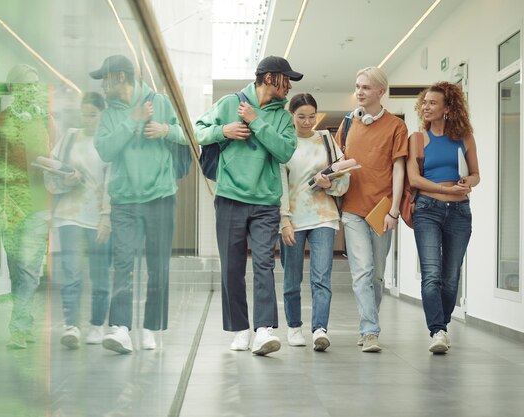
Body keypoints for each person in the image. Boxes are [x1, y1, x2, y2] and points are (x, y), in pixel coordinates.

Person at [195, 55, 302, 356]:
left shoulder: (282, 117)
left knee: (264, 264)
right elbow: (197, 130)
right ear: (270, 78)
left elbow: (284, 152)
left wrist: (256, 121)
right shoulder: (230, 103)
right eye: (286, 80)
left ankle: (264, 329)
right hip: (230, 197)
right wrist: (223, 131)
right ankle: (240, 329)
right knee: (231, 267)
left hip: (266, 202)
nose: (289, 87)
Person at [90, 55, 186, 354]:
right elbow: (105, 150)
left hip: (160, 197)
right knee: (122, 264)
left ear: (120, 77)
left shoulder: (160, 102)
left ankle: (150, 328)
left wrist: (165, 130)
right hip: (125, 201)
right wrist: (132, 121)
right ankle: (120, 328)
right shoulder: (109, 114)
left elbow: (188, 136)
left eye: (105, 79)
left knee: (158, 268)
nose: (102, 86)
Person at [335, 67, 408, 353]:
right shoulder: (348, 124)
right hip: (352, 209)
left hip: (382, 209)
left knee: (377, 274)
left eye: (366, 87)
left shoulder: (395, 127)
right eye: (357, 86)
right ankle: (370, 331)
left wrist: (394, 211)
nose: (360, 92)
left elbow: (399, 170)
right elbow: (338, 160)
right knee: (362, 271)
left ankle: (369, 322)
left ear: (381, 91)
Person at [0, 64, 53, 349]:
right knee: (17, 270)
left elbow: (51, 161)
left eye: (36, 84)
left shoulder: (46, 121)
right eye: (27, 85)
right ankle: (25, 322)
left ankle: (18, 327)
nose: (33, 90)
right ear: (13, 89)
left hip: (39, 205)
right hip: (9, 206)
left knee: (30, 271)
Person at [407, 82, 479, 353]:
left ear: (448, 108)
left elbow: (476, 174)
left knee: (450, 277)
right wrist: (441, 188)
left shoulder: (466, 138)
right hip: (428, 210)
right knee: (432, 274)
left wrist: (466, 182)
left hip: (460, 212)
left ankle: (442, 324)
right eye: (424, 102)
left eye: (432, 103)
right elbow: (414, 178)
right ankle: (437, 329)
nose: (426, 107)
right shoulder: (417, 138)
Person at [279, 93, 349, 352]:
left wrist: (329, 184)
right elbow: (279, 184)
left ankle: (320, 328)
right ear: (291, 116)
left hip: (324, 217)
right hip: (293, 218)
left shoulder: (327, 141)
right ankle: (294, 327)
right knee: (291, 277)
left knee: (321, 277)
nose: (307, 122)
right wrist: (283, 218)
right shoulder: (284, 143)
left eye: (311, 116)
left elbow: (345, 180)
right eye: (301, 117)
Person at [44, 92, 111, 349]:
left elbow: (111, 183)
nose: (88, 119)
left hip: (96, 217)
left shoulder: (107, 142)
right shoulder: (70, 137)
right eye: (84, 114)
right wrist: (65, 179)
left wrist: (106, 216)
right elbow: (52, 171)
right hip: (69, 215)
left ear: (103, 114)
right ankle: (71, 325)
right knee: (71, 272)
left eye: (93, 115)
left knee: (99, 274)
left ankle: (96, 324)